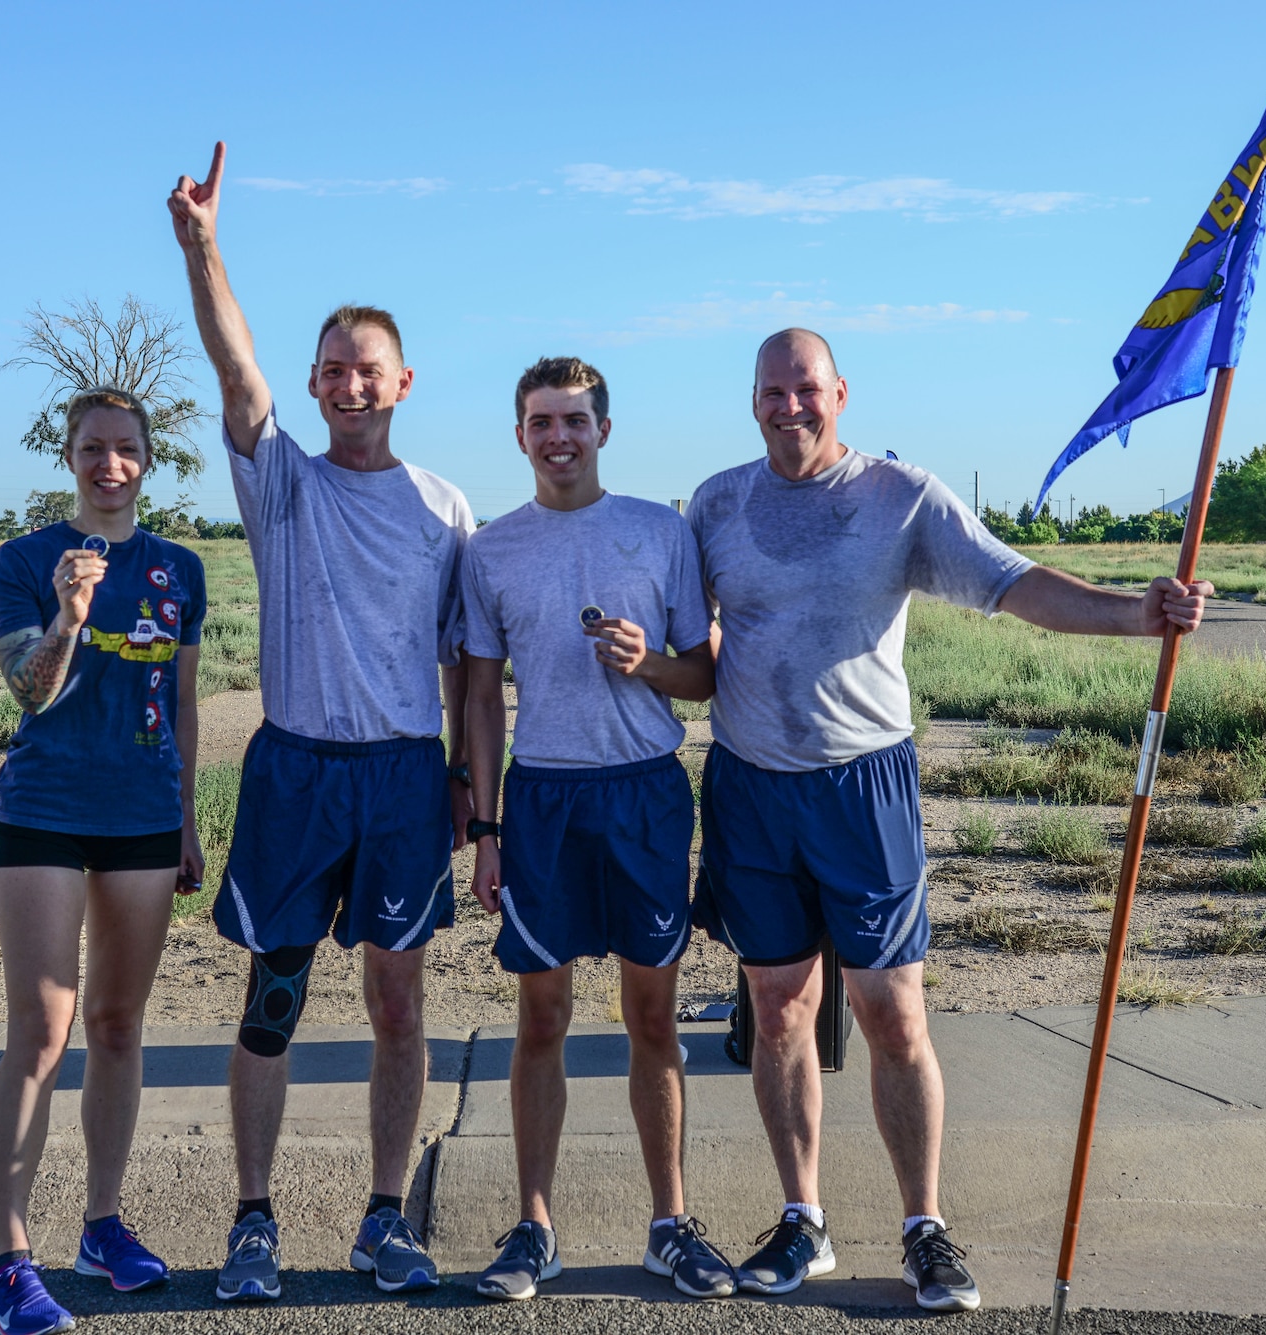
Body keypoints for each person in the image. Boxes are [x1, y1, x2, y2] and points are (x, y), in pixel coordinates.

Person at [687, 329, 1211, 1313]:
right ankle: (800, 1221)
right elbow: (691, 631)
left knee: (892, 1017)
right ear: (750, 399)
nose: (787, 406)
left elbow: (1014, 585)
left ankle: (923, 1227)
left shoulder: (899, 497)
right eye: (771, 390)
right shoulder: (715, 503)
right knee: (777, 1013)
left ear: (838, 393)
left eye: (805, 389)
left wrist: (1133, 614)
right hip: (751, 788)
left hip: (862, 792)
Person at [169, 143, 475, 1303]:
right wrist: (204, 247)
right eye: (332, 370)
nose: (349, 385)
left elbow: (466, 668)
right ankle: (252, 1220)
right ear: (313, 388)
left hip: (401, 777)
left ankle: (383, 1218)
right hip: (295, 771)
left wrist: (464, 791)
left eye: (369, 369)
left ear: (403, 383)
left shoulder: (444, 507)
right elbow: (231, 361)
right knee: (274, 996)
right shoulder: (280, 481)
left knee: (397, 1002)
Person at [460, 357, 732, 1301]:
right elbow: (483, 697)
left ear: (604, 431)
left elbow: (703, 676)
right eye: (542, 422)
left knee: (651, 1015)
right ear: (521, 435)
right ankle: (534, 1226)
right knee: (542, 1017)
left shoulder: (660, 531)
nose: (559, 437)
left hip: (644, 795)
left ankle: (670, 1221)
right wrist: (486, 826)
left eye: (575, 420)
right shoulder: (491, 549)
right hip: (543, 802)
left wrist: (647, 662)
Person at [0, 387, 208, 1335]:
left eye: (125, 449)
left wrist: (190, 820)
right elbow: (30, 693)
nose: (108, 463)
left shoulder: (180, 568)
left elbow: (186, 702)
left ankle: (102, 1226)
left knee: (117, 1023)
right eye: (91, 448)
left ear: (148, 460)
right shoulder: (27, 559)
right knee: (42, 1028)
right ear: (67, 456)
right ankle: (7, 1260)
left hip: (145, 817)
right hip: (46, 810)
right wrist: (72, 614)